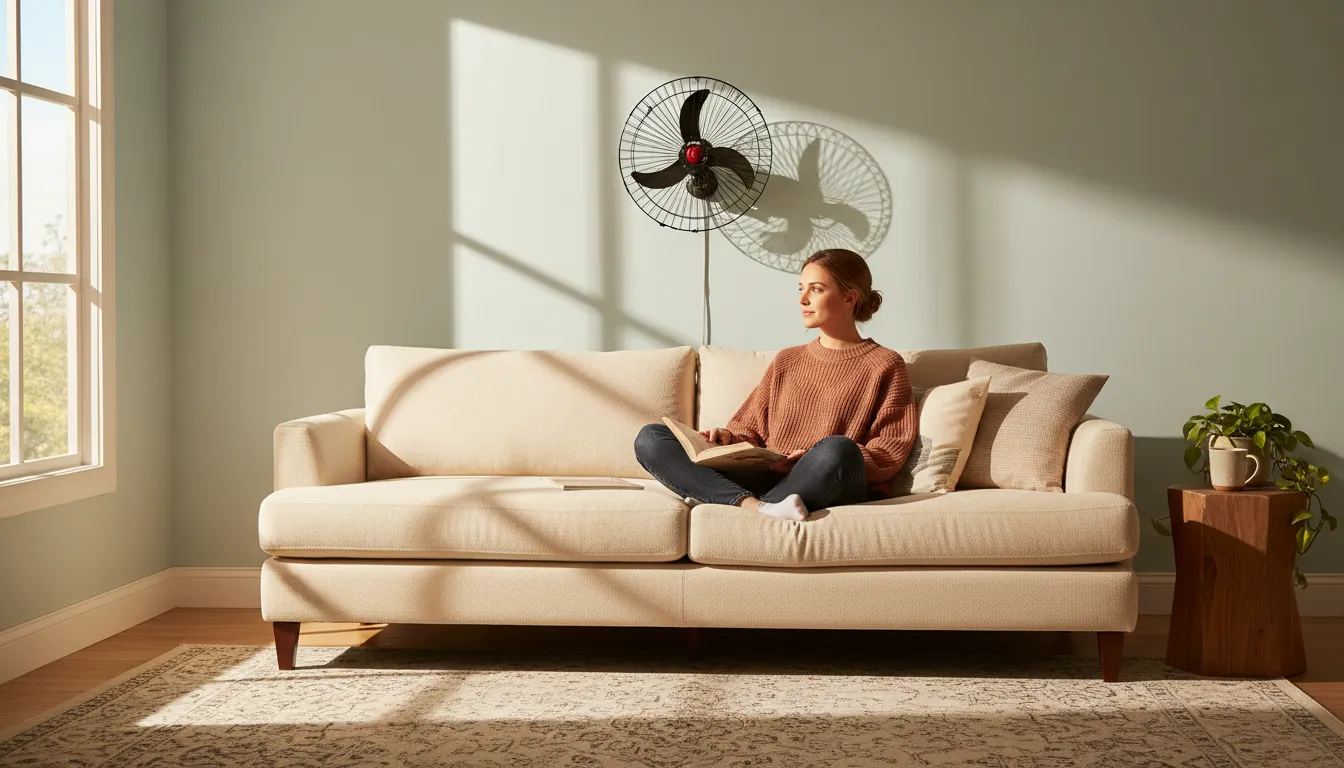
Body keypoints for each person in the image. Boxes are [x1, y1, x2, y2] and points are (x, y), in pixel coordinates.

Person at [633, 248, 918, 521]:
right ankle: (756, 507)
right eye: (801, 288)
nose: (802, 299)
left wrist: (812, 457)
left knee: (838, 449)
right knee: (652, 437)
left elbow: (889, 451)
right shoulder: (787, 359)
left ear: (849, 298)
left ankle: (724, 499)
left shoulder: (884, 363)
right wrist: (728, 439)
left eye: (816, 289)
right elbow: (751, 430)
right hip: (765, 479)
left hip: (824, 478)